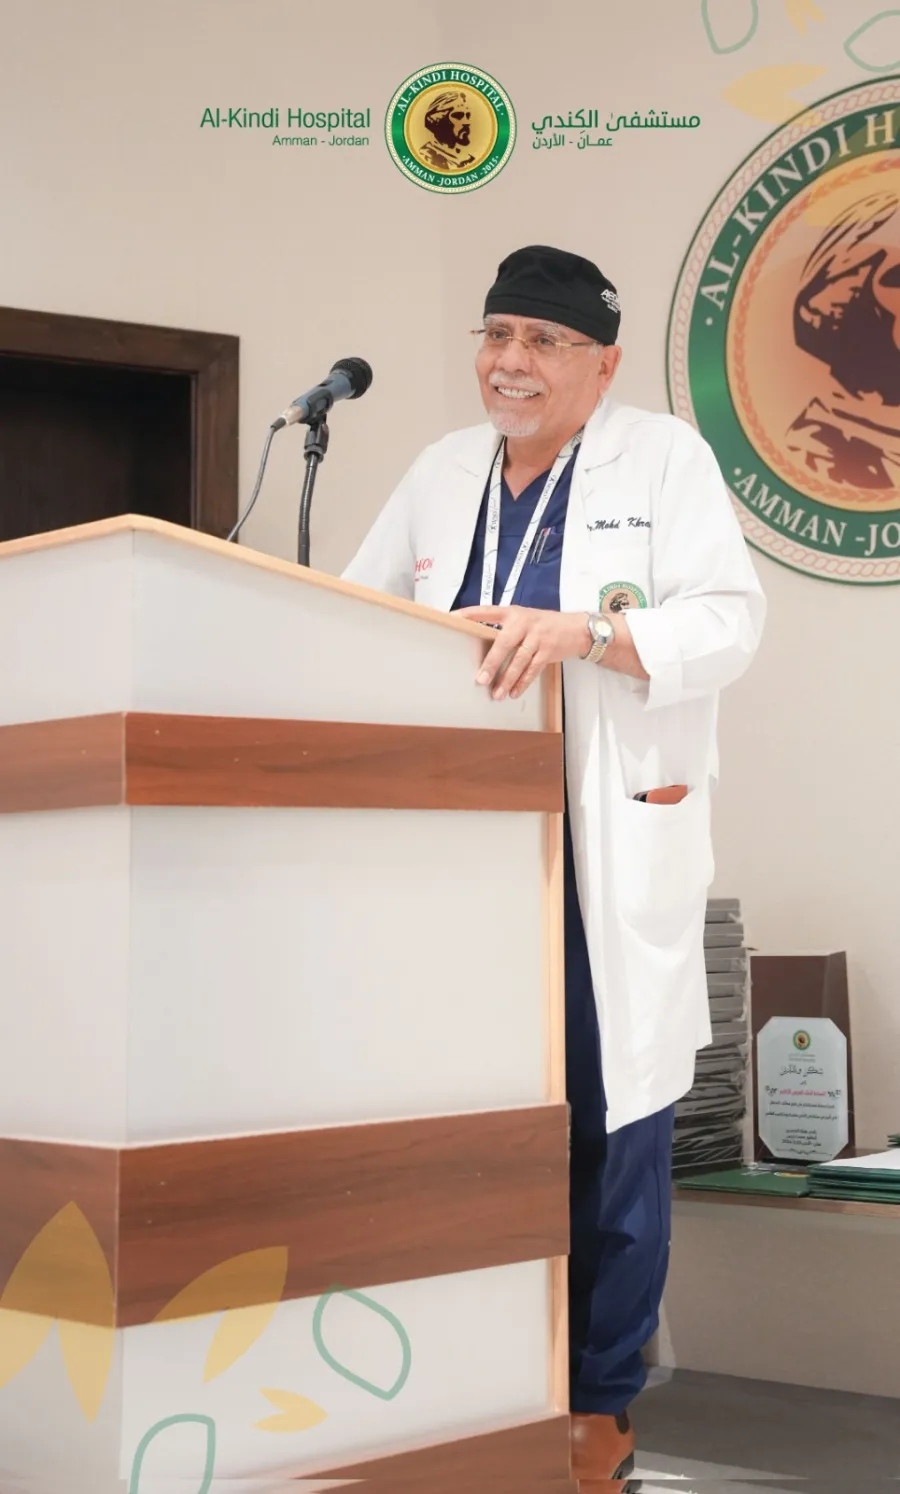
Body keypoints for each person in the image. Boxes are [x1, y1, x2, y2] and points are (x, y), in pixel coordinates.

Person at [342, 244, 766, 1491]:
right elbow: (354, 613)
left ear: (603, 364)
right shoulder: (439, 472)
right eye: (496, 334)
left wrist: (585, 632)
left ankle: (597, 1403)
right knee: (457, 1131)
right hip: (456, 861)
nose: (510, 362)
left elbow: (731, 622)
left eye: (543, 340)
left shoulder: (664, 462)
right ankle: (467, 1385)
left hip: (598, 857)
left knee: (607, 1131)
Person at [418, 89, 477, 172]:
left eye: (467, 115)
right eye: (458, 116)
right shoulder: (426, 156)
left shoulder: (468, 159)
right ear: (438, 120)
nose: (467, 122)